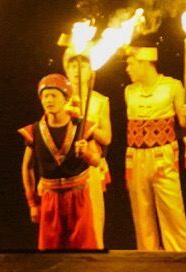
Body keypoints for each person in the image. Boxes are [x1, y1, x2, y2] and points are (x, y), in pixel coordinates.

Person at [123, 43, 186, 251]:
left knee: (172, 210)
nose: (127, 69)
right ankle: (148, 258)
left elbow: (183, 124)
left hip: (162, 156)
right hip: (136, 157)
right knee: (141, 212)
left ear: (145, 63)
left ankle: (183, 257)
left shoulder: (172, 86)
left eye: (131, 64)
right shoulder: (130, 91)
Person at [19, 73, 101, 250]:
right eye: (45, 96)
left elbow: (97, 161)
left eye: (54, 95)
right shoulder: (34, 130)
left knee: (84, 249)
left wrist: (86, 152)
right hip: (50, 198)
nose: (49, 100)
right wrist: (32, 203)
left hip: (78, 196)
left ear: (65, 99)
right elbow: (27, 167)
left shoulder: (82, 127)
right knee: (51, 251)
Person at [62, 47, 113, 247]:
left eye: (82, 64)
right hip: (64, 166)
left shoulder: (99, 101)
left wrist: (88, 126)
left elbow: (107, 137)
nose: (77, 69)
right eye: (72, 64)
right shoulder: (59, 99)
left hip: (90, 163)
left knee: (93, 216)